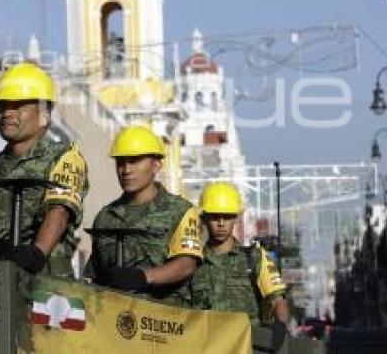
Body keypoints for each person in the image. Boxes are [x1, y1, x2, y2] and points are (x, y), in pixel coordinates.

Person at [0, 62, 88, 277]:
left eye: (19, 105)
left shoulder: (64, 157)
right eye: (4, 105)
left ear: (44, 112)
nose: (7, 113)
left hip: (47, 289)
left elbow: (58, 213)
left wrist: (35, 254)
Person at [85, 125, 203, 306]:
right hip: (113, 321)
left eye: (134, 161)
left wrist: (143, 277)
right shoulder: (105, 217)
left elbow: (187, 263)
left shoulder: (181, 212)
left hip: (164, 323)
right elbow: (95, 276)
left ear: (156, 165)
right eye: (121, 162)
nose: (126, 170)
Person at [191, 182, 290, 326]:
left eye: (227, 217)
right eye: (215, 217)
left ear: (236, 218)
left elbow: (277, 300)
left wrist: (281, 327)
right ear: (204, 218)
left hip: (247, 344)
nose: (221, 223)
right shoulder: (192, 262)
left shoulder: (254, 258)